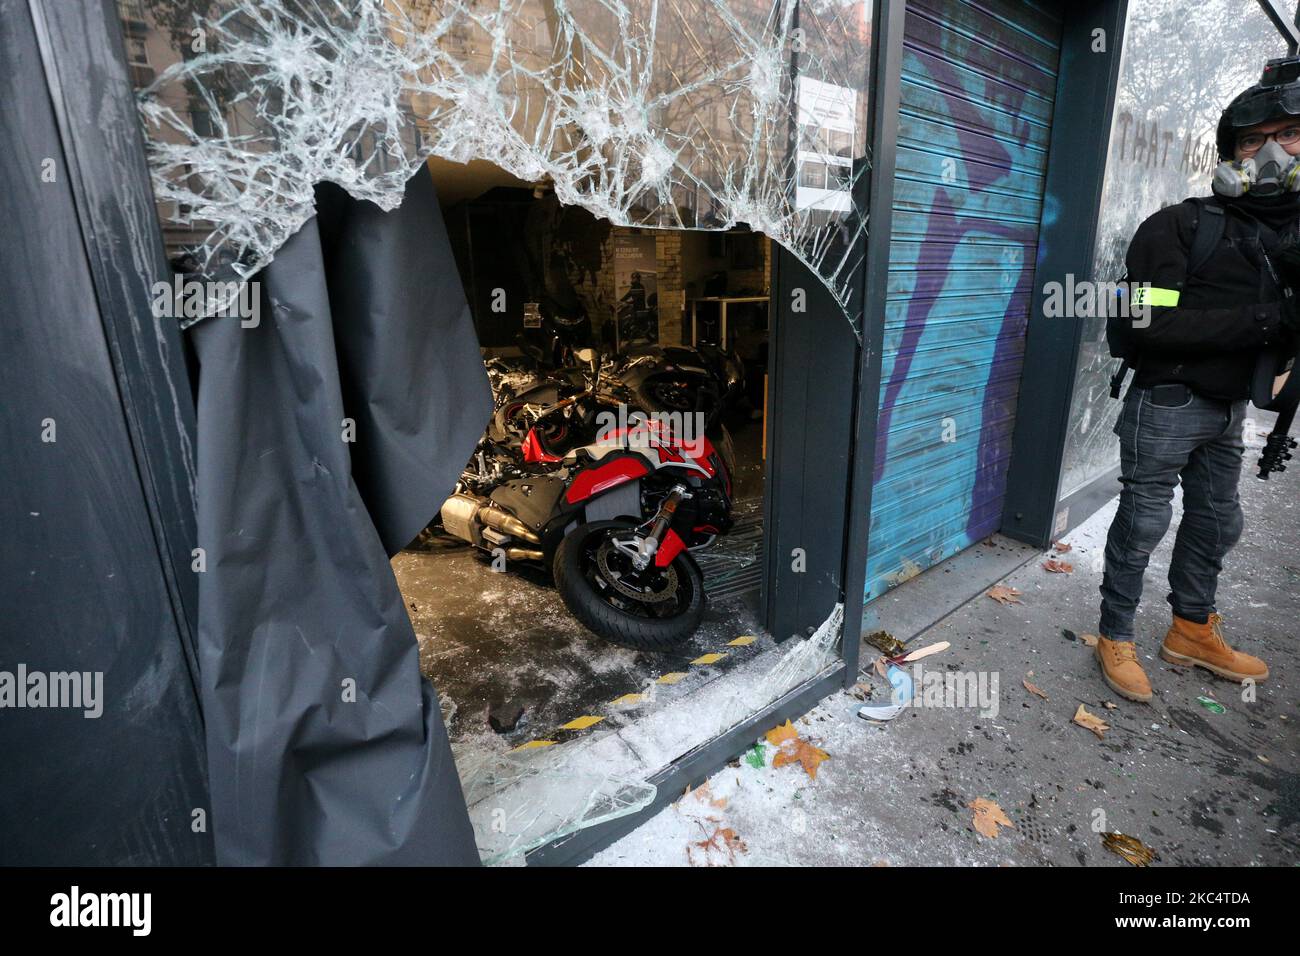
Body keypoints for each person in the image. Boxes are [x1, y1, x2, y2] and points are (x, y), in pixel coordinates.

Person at [1095, 66, 1300, 703]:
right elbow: (1144, 325)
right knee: (1143, 522)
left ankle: (1190, 629)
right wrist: (1271, 320)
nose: (1270, 152)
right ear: (1230, 154)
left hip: (1229, 409)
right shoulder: (1179, 226)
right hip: (1168, 404)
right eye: (1252, 141)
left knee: (1217, 524)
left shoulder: (1284, 237)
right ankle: (1115, 635)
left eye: (1290, 133)